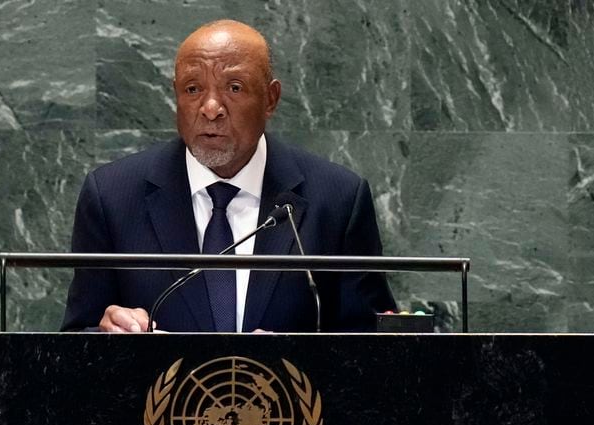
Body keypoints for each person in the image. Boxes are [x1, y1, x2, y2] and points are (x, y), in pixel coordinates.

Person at [61, 20, 395, 333]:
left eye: (234, 88)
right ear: (174, 94)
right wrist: (108, 334)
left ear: (271, 98)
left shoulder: (337, 200)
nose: (210, 108)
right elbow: (72, 346)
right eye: (192, 89)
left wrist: (298, 359)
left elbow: (370, 348)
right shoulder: (113, 197)